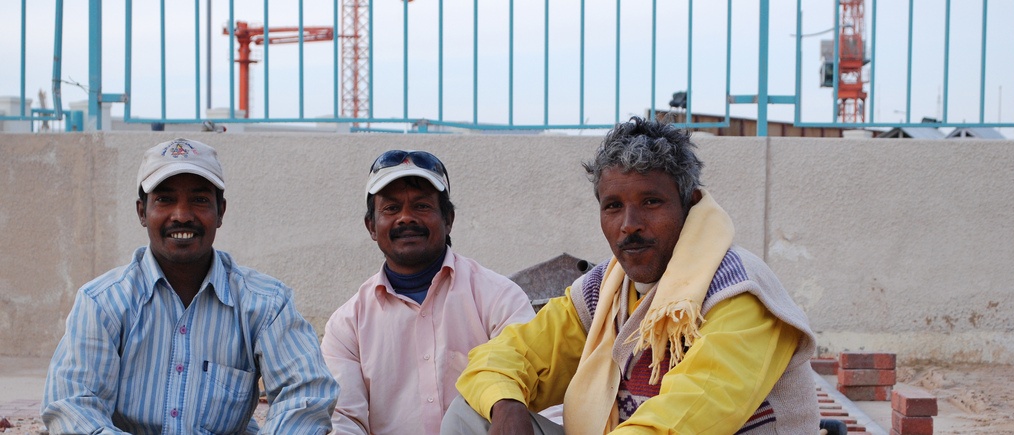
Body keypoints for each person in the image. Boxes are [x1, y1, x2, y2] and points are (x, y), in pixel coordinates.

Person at [443, 117, 819, 434]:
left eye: (651, 202)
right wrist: (506, 404)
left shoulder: (739, 291)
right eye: (613, 206)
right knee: (470, 415)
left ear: (689, 206)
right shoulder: (604, 291)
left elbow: (681, 421)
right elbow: (503, 358)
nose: (629, 226)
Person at [41, 138, 339, 434]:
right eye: (164, 199)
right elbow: (72, 407)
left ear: (220, 212)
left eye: (199, 200)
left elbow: (306, 395)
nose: (182, 215)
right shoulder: (101, 303)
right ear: (142, 212)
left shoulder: (267, 304)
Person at [320, 150, 537, 435]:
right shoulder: (347, 325)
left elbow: (537, 399)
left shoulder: (499, 298)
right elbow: (343, 420)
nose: (405, 218)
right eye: (391, 208)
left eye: (421, 206)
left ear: (448, 219)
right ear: (371, 226)